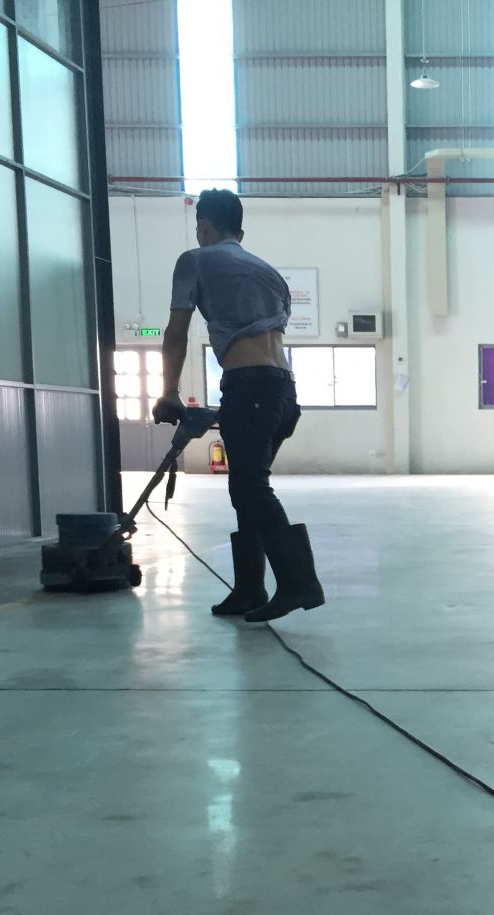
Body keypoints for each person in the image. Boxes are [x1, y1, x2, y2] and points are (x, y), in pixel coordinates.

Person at [152, 189, 324, 622]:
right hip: (283, 391)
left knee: (250, 487)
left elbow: (175, 333)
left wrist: (169, 391)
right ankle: (249, 590)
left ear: (203, 227)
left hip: (249, 388)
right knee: (245, 487)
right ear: (240, 232)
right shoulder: (270, 273)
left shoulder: (194, 260)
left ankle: (298, 582)